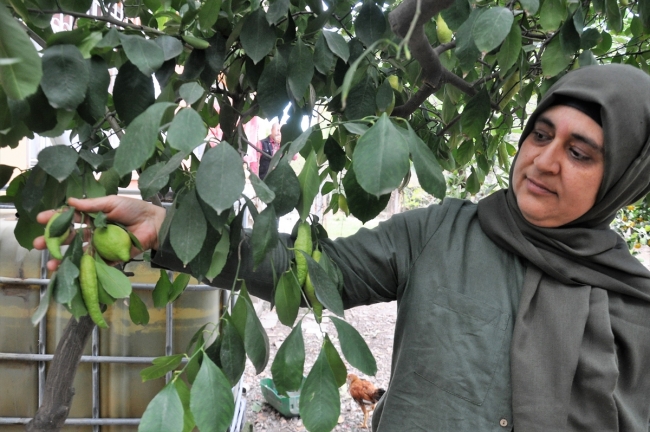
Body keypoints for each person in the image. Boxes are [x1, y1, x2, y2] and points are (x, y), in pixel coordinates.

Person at [33, 64, 650, 431]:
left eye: (579, 152)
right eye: (540, 134)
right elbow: (305, 271)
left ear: (622, 174)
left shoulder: (632, 304)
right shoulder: (442, 233)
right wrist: (164, 229)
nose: (543, 161)